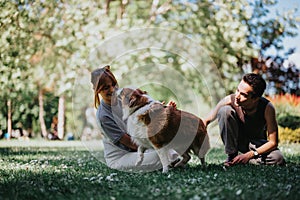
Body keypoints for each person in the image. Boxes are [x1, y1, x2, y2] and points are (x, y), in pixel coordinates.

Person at [91, 65, 180, 172]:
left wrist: (163, 112)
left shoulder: (124, 99)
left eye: (114, 85)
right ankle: (170, 160)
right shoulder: (103, 116)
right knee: (162, 154)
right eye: (105, 88)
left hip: (139, 149)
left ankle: (171, 158)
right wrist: (155, 144)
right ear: (97, 91)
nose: (112, 90)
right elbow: (130, 143)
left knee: (168, 148)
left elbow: (145, 115)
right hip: (122, 157)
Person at [203, 73, 285, 166]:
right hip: (238, 142)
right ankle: (232, 157)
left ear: (255, 99)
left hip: (256, 145)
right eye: (237, 90)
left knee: (278, 159)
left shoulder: (267, 108)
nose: (237, 96)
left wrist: (250, 155)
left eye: (243, 94)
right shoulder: (231, 99)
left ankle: (241, 161)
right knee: (224, 111)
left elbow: (273, 142)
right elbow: (206, 120)